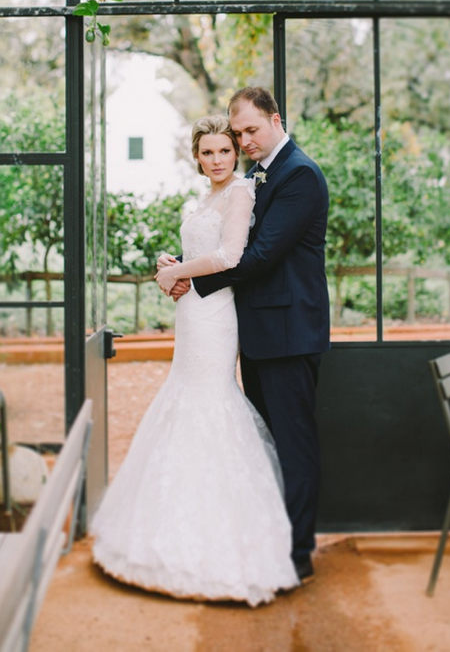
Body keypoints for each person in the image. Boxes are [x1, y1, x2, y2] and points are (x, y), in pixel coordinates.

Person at [91, 115, 299, 605]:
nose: (217, 160)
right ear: (197, 157)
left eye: (224, 151)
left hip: (216, 316)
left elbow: (229, 256)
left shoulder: (243, 191)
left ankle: (224, 546)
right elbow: (198, 252)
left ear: (236, 152)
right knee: (182, 397)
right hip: (191, 313)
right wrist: (172, 265)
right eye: (207, 153)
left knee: (210, 400)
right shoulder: (205, 197)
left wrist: (177, 273)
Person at [170, 87, 329, 582]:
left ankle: (298, 554)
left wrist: (191, 279)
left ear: (276, 119)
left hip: (289, 335)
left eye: (250, 131)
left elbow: (258, 257)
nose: (244, 141)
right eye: (238, 133)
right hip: (256, 334)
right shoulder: (261, 174)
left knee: (293, 446)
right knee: (262, 445)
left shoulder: (299, 175)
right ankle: (267, 540)